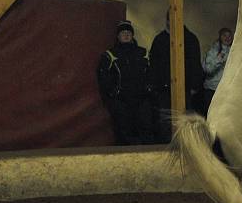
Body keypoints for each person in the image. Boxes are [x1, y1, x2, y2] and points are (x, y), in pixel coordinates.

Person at [148, 11, 204, 142]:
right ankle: (166, 147)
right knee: (165, 120)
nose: (173, 22)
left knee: (186, 119)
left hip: (185, 87)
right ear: (167, 21)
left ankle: (187, 145)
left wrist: (194, 85)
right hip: (164, 88)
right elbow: (154, 64)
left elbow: (195, 63)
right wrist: (155, 85)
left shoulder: (190, 39)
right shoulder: (159, 40)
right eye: (170, 20)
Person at [97, 20, 153, 144]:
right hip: (121, 102)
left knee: (145, 131)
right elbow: (103, 78)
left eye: (128, 32)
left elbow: (152, 73)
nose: (126, 35)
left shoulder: (143, 53)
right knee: (124, 134)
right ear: (118, 36)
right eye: (123, 32)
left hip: (142, 100)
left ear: (132, 35)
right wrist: (113, 95)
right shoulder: (110, 55)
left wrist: (149, 90)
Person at [203, 27, 233, 113]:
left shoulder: (234, 51)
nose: (227, 38)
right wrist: (219, 60)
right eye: (224, 35)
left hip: (227, 89)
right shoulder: (213, 51)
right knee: (211, 115)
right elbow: (208, 69)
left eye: (229, 36)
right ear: (220, 37)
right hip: (212, 89)